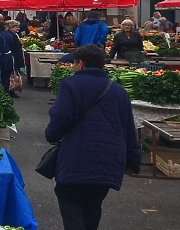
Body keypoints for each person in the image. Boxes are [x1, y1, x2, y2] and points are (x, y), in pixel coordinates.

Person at [44, 45, 141, 230]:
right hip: (109, 159)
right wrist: (132, 162)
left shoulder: (70, 85)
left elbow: (60, 116)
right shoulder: (119, 91)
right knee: (93, 205)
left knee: (69, 199)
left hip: (76, 156)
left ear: (80, 64)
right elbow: (129, 127)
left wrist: (51, 135)